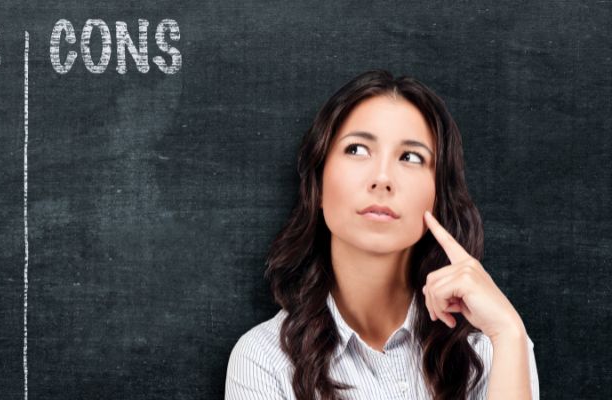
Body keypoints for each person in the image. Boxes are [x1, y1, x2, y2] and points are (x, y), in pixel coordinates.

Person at [225, 69, 539, 400]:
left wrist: (508, 332)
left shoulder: (494, 345)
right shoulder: (265, 361)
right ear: (317, 185)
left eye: (411, 157)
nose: (382, 177)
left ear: (437, 195)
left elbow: (505, 338)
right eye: (357, 149)